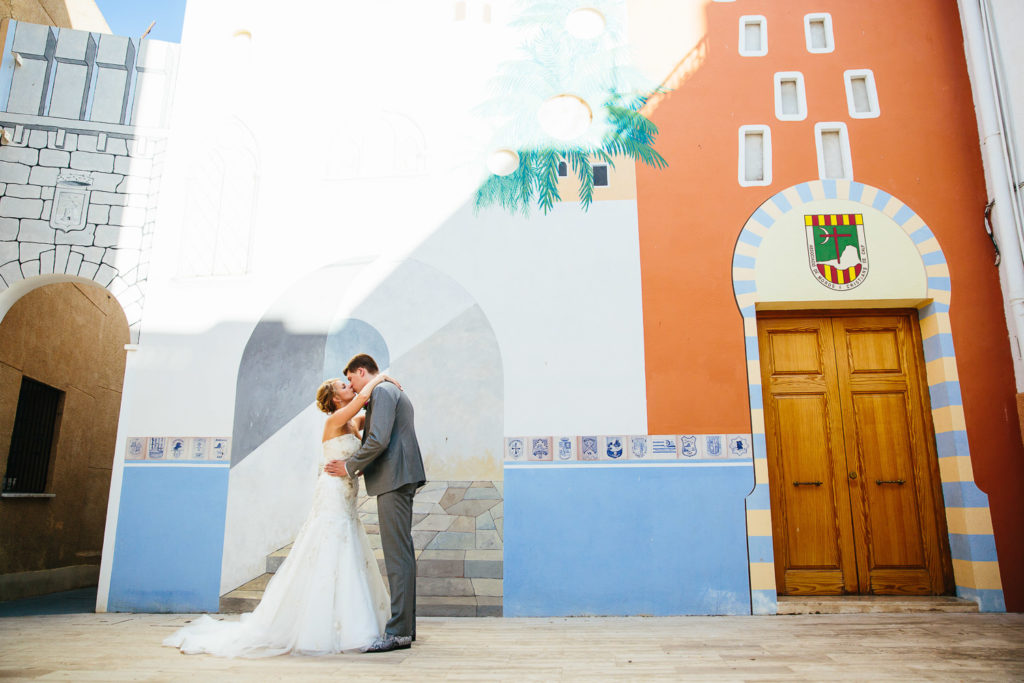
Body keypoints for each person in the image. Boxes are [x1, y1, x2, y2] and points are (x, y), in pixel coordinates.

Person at [163, 373, 396, 657]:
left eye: (348, 383)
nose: (350, 387)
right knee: (331, 545)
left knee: (350, 547)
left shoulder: (351, 422)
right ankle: (327, 627)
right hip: (332, 492)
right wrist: (380, 376)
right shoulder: (333, 421)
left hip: (348, 494)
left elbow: (367, 411)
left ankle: (353, 617)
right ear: (336, 398)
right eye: (344, 386)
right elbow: (362, 398)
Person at [325, 353, 425, 653]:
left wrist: (349, 466)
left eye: (352, 380)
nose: (352, 387)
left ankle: (398, 633)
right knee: (402, 554)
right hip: (399, 476)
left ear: (360, 371)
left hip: (395, 477)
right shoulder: (385, 389)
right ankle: (406, 627)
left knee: (397, 556)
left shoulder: (382, 391)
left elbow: (378, 440)